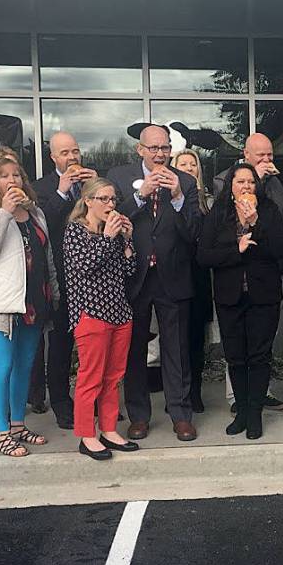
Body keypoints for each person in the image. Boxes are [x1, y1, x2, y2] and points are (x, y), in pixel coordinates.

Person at [108, 123, 202, 442]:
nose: (160, 154)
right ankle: (139, 416)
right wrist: (139, 196)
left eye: (165, 148)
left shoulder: (186, 182)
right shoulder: (120, 177)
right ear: (140, 150)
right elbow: (110, 219)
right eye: (154, 148)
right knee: (134, 349)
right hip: (135, 277)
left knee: (176, 349)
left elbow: (194, 233)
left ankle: (180, 414)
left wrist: (176, 197)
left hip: (172, 276)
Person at [0, 148, 59, 457]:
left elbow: (46, 258)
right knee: (3, 364)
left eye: (16, 174)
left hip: (33, 301)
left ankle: (18, 424)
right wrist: (5, 212)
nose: (12, 180)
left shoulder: (35, 212)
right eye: (4, 176)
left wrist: (55, 294)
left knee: (25, 365)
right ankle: (2, 432)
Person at [198, 163, 283, 439]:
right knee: (235, 357)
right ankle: (241, 412)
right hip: (230, 297)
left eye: (251, 182)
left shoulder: (270, 211)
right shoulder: (219, 213)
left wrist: (254, 225)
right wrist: (235, 251)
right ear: (231, 186)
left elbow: (280, 254)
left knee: (259, 356)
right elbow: (204, 256)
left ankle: (255, 414)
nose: (246, 187)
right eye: (240, 182)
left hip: (264, 296)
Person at [63, 179, 139, 460]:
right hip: (91, 313)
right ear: (88, 201)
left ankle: (108, 429)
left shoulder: (115, 232)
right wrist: (107, 237)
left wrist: (128, 240)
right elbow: (85, 267)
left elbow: (129, 270)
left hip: (119, 310)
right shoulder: (74, 232)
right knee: (90, 377)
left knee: (114, 376)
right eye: (104, 199)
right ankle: (86, 435)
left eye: (113, 200)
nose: (111, 205)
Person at [213, 133, 283, 413]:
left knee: (261, 346)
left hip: (266, 273)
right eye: (261, 156)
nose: (267, 160)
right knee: (236, 348)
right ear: (246, 154)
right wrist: (254, 178)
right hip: (234, 280)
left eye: (270, 155)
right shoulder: (227, 178)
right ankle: (238, 399)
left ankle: (260, 395)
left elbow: (280, 220)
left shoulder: (276, 183)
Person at [28, 131, 98, 429]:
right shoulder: (41, 188)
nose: (72, 157)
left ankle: (95, 400)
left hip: (93, 278)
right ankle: (60, 402)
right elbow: (41, 225)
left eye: (75, 151)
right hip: (60, 279)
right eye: (65, 152)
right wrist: (61, 191)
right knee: (60, 345)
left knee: (94, 345)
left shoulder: (91, 184)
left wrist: (95, 190)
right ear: (53, 157)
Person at [173, 148, 216, 413]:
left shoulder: (207, 200)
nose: (189, 168)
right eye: (183, 164)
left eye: (193, 164)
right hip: (175, 271)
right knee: (176, 339)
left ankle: (195, 390)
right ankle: (178, 393)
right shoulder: (168, 198)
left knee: (196, 338)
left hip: (199, 274)